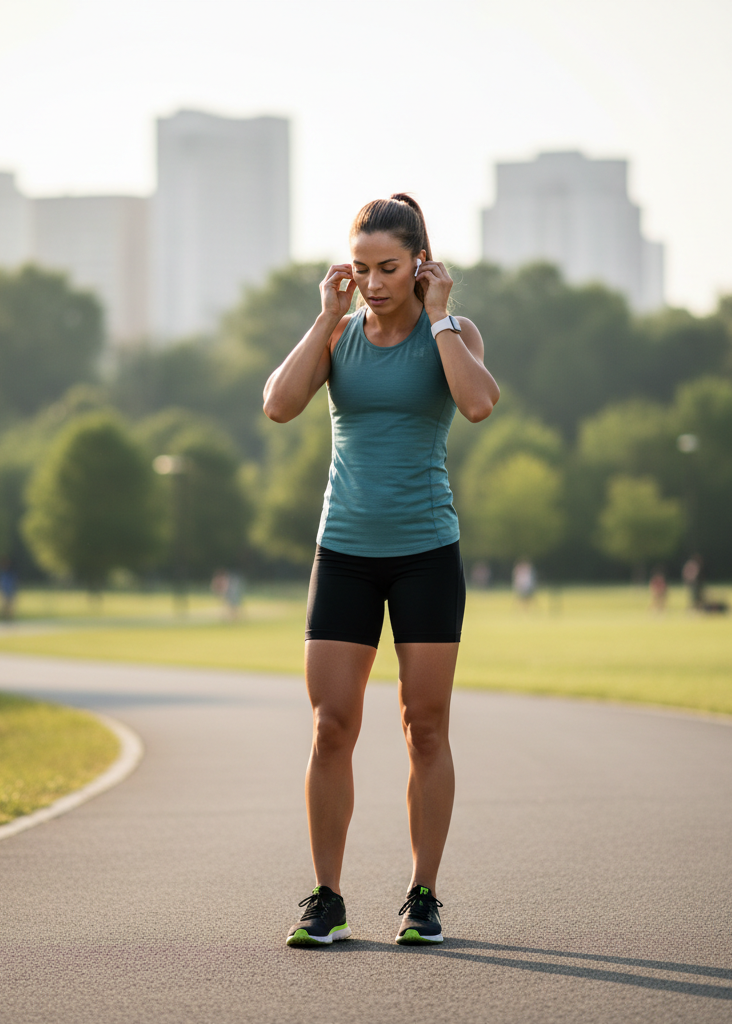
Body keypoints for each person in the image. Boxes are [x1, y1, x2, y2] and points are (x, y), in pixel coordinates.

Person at [263, 194, 499, 947]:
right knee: (332, 726)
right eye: (360, 268)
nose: (373, 281)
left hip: (427, 553)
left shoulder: (452, 334)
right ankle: (326, 897)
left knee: (424, 727)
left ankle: (422, 895)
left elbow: (478, 405)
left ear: (421, 264)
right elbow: (277, 405)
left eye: (388, 268)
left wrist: (439, 316)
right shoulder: (338, 338)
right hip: (345, 555)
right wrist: (322, 320)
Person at [0, 556, 18, 622]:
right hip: (3, 590)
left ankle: (9, 619)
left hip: (10, 590)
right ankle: (3, 619)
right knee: (3, 606)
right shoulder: (0, 572)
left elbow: (14, 581)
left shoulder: (11, 572)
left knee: (10, 606)